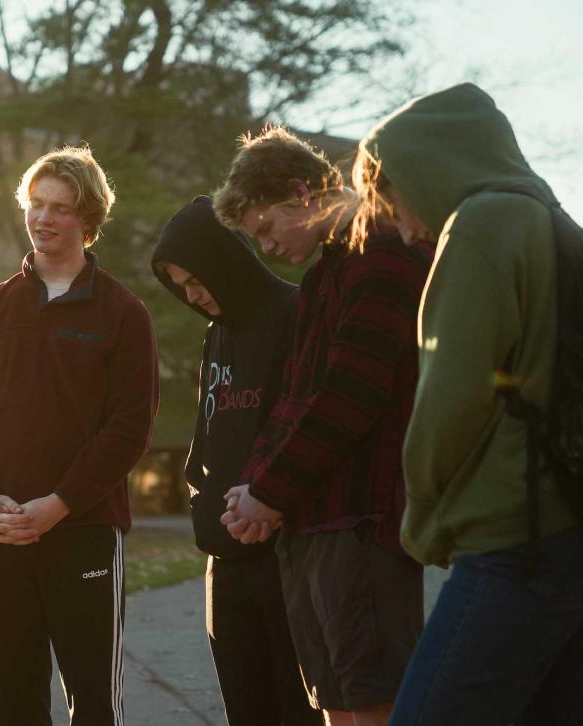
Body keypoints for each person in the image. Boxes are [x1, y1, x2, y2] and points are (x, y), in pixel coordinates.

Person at [352, 82, 583, 726]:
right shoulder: (556, 224)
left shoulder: (481, 222)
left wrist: (420, 517)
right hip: (568, 527)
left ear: (429, 168)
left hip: (514, 538)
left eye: (393, 200)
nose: (402, 225)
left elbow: (452, 396)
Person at [212, 127, 431, 726]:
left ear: (301, 192)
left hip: (362, 520)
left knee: (374, 702)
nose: (266, 247)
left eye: (265, 229)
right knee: (334, 703)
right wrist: (255, 486)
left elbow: (351, 397)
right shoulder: (322, 276)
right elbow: (292, 399)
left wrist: (269, 493)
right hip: (311, 521)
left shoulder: (381, 253)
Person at [0, 146, 160, 725]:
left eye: (60, 208)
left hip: (84, 534)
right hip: (0, 535)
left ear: (87, 220)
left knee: (94, 705)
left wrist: (57, 506)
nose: (43, 218)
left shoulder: (121, 313)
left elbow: (128, 431)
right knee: (15, 704)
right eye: (36, 204)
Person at [151, 196, 322, 726]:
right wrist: (202, 501)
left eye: (196, 279)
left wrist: (268, 504)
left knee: (297, 709)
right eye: (181, 288)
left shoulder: (294, 314)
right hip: (222, 558)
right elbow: (209, 433)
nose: (193, 295)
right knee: (244, 709)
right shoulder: (215, 334)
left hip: (283, 553)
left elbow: (303, 426)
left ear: (224, 259)